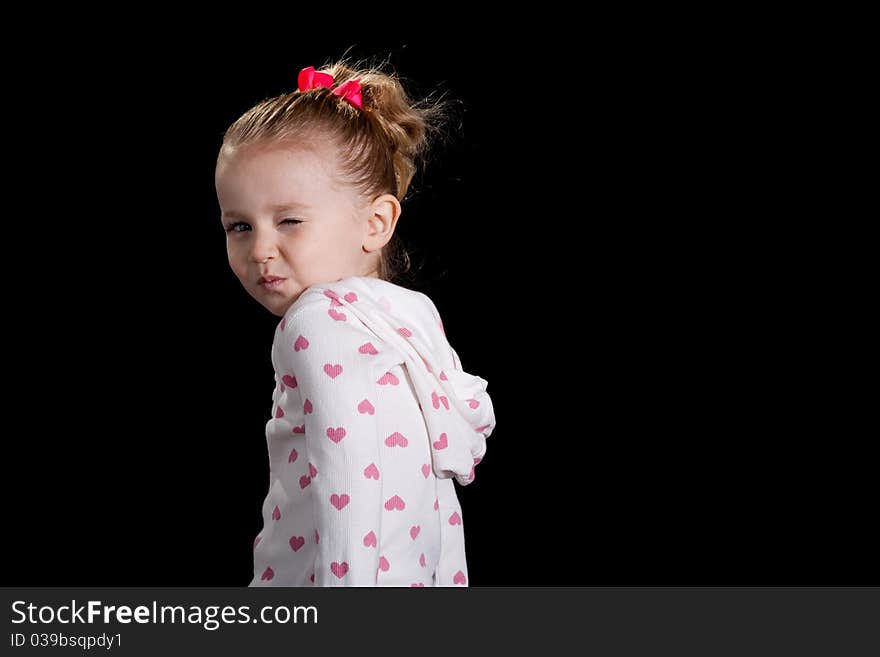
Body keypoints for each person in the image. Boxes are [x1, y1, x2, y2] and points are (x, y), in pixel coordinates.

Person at [214, 59, 496, 586]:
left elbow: (348, 491)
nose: (260, 250)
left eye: (290, 221)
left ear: (376, 222)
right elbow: (441, 505)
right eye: (239, 226)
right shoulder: (408, 317)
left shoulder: (315, 325)